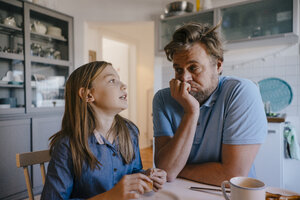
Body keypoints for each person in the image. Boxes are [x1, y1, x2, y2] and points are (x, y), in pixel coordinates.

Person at [152, 22, 267, 186]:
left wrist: (176, 169)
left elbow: (233, 175)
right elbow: (165, 170)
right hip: (179, 191)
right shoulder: (163, 99)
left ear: (218, 66)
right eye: (178, 69)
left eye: (194, 68)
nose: (184, 78)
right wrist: (190, 113)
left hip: (228, 194)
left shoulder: (241, 92)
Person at [41, 61, 166, 200]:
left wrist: (147, 175)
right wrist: (108, 197)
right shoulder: (67, 145)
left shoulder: (130, 131)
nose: (124, 86)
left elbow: (134, 171)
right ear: (88, 95)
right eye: (112, 80)